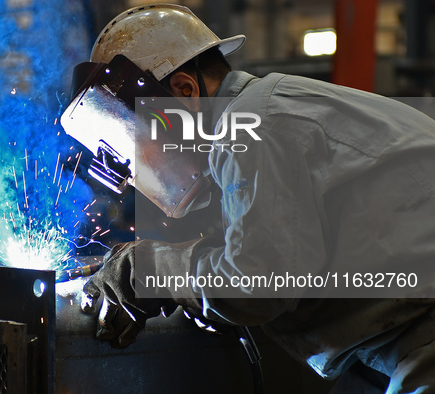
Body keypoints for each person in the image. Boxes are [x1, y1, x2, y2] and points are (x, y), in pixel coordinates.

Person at [60, 4, 435, 393]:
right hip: (388, 347)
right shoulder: (262, 119)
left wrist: (148, 269)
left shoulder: (252, 127)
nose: (143, 158)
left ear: (185, 91)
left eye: (139, 139)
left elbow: (258, 284)